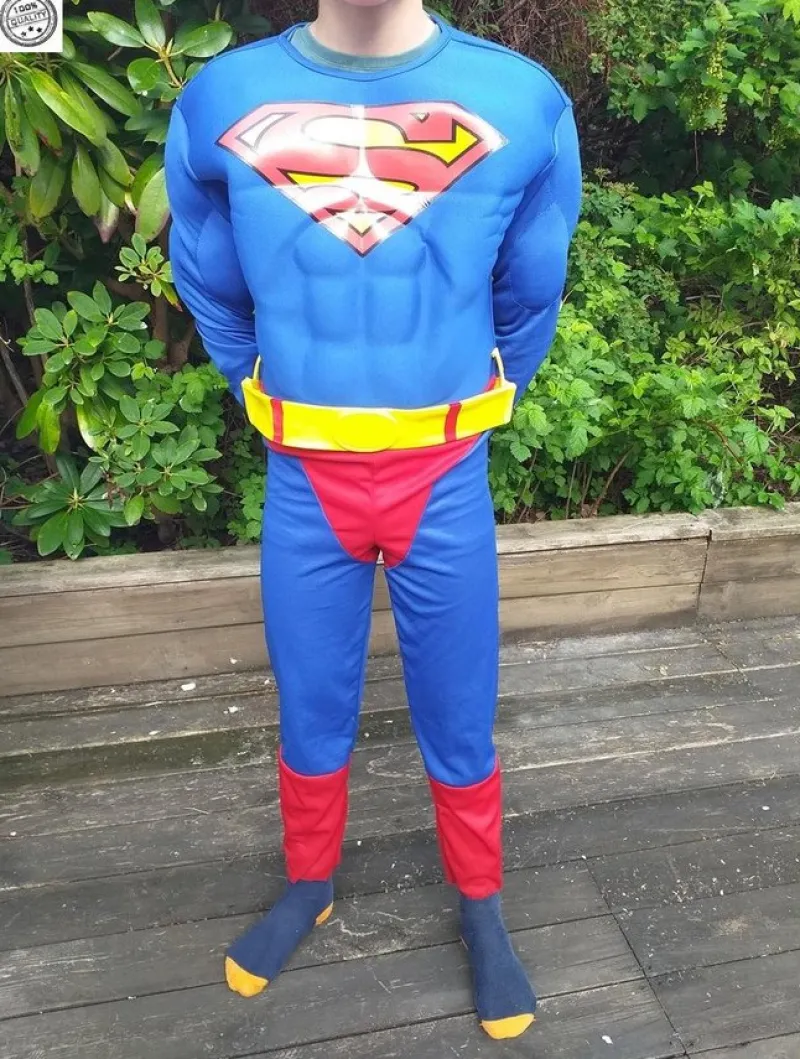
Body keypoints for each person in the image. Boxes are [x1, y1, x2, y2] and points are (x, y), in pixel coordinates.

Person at [165, 0, 581, 1039]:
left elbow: (530, 292)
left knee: (459, 702)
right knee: (309, 696)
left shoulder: (521, 99)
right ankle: (309, 883)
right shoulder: (221, 96)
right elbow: (208, 278)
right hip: (305, 477)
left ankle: (481, 904)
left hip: (443, 472)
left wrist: (460, 406)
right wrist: (267, 391)